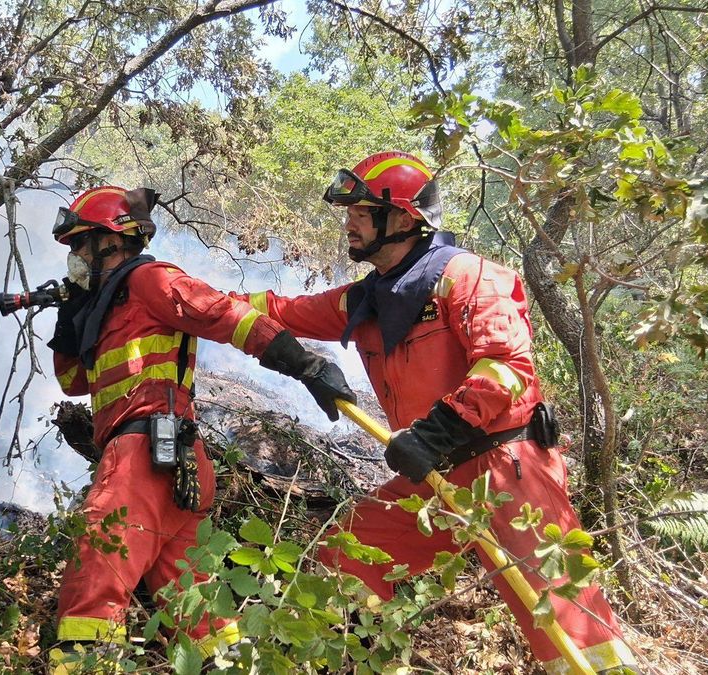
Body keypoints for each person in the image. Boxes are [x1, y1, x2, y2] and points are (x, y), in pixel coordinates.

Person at [233, 152, 638, 674]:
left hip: (507, 469)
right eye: (349, 211)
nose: (348, 223)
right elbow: (281, 311)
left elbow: (506, 366)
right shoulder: (367, 300)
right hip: (433, 474)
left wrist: (436, 431)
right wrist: (196, 303)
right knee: (345, 557)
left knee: (567, 624)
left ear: (402, 218)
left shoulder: (469, 276)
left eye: (360, 212)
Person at [45, 185, 355, 672]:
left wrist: (304, 365)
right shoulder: (113, 307)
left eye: (79, 244)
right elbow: (74, 382)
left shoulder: (149, 279)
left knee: (99, 567)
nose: (75, 258)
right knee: (198, 611)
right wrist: (69, 318)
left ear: (110, 241)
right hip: (173, 464)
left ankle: (84, 663)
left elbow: (222, 315)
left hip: (141, 457)